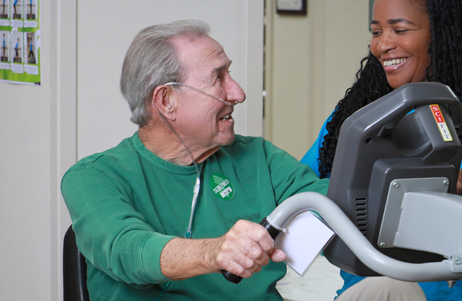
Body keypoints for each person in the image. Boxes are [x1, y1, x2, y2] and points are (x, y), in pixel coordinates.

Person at [300, 0, 462, 301]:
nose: (383, 45)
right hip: (370, 286)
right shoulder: (360, 112)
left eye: (400, 30)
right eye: (377, 32)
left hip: (451, 291)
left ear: (442, 33)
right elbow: (302, 186)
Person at [61, 20, 329, 301]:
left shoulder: (259, 158)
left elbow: (335, 212)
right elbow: (127, 249)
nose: (238, 93)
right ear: (167, 101)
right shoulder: (93, 177)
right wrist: (215, 252)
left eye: (230, 74)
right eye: (218, 78)